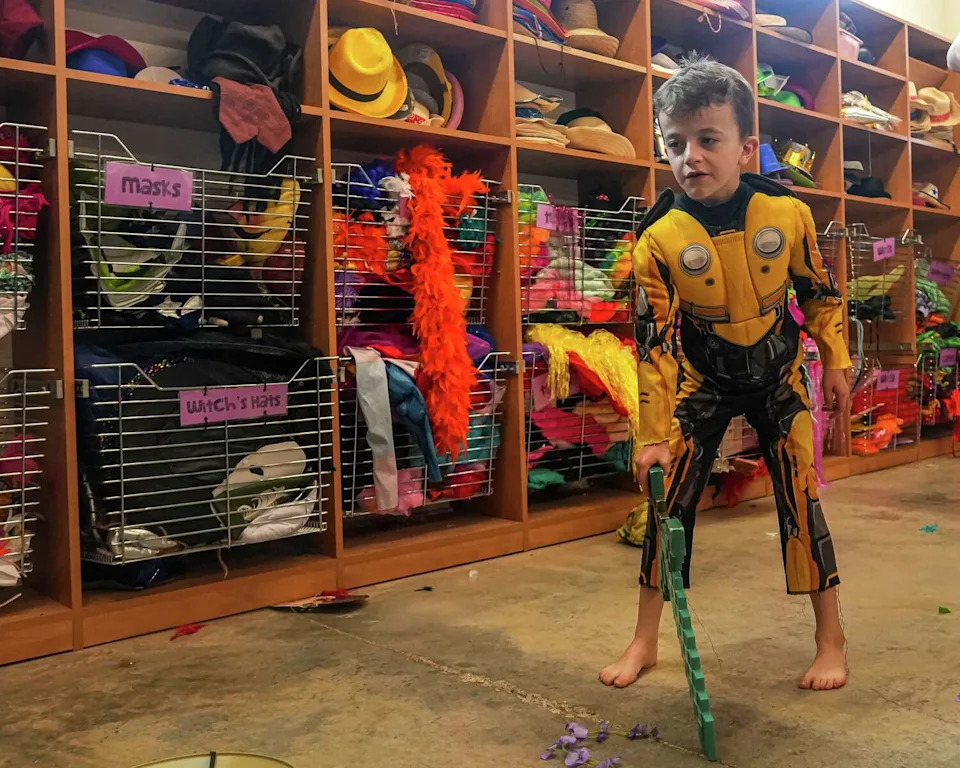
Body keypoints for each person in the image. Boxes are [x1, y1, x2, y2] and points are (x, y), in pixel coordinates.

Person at [599, 56, 851, 692]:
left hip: (780, 373)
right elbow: (652, 343)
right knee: (668, 508)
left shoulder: (786, 212)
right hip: (701, 378)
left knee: (801, 498)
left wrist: (838, 362)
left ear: (746, 148)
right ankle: (644, 639)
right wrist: (652, 434)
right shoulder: (657, 236)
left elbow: (820, 295)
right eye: (675, 144)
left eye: (708, 140)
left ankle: (831, 639)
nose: (692, 158)